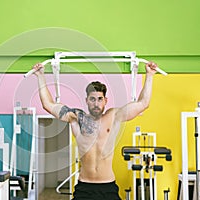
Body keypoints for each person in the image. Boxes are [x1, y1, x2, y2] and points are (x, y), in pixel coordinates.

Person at [32, 61, 157, 199]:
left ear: (105, 100)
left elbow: (143, 103)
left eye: (99, 99)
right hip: (85, 187)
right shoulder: (77, 118)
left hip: (108, 186)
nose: (96, 104)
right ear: (86, 100)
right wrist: (40, 76)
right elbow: (48, 105)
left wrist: (149, 75)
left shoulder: (113, 116)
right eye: (92, 99)